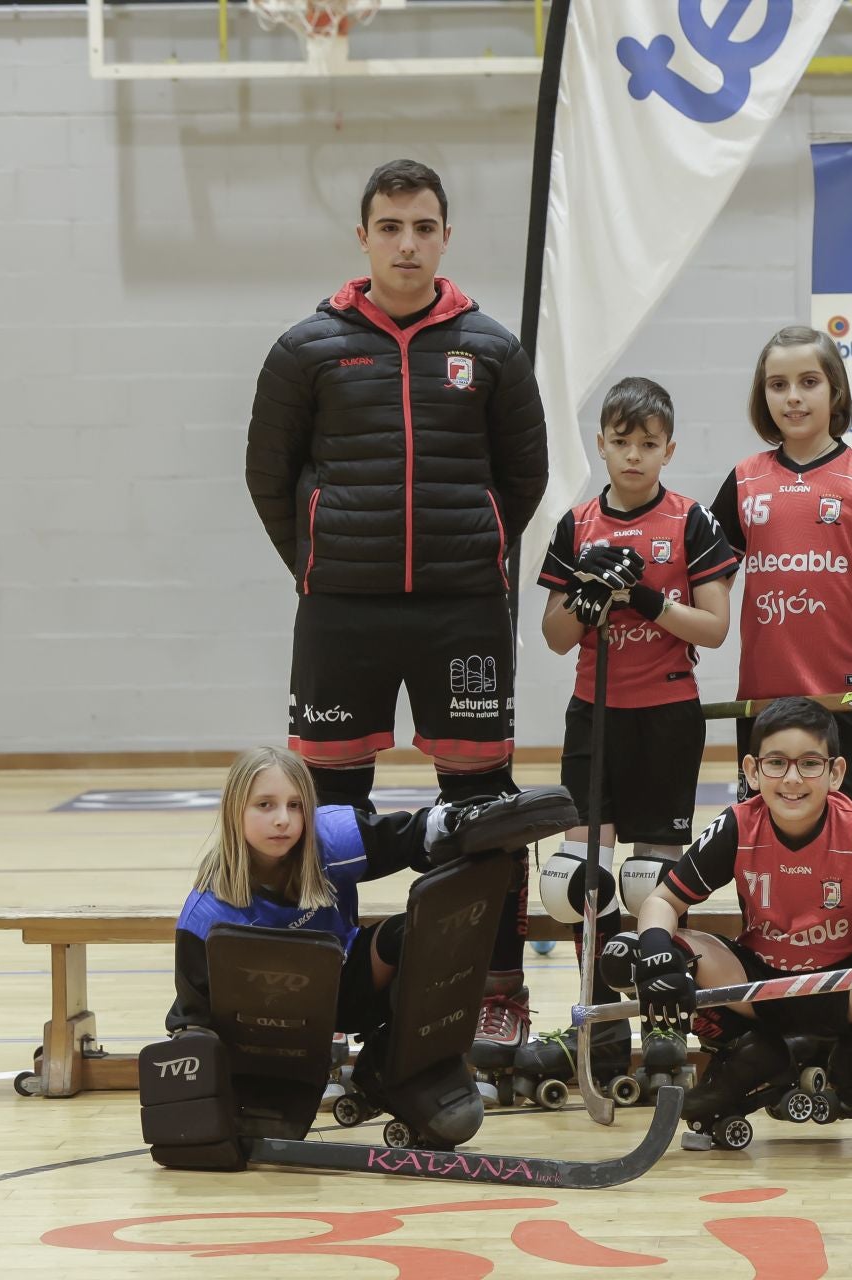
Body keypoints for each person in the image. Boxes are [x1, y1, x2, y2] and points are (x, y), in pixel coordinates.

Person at [242, 158, 550, 1064]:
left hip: (463, 612)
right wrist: (321, 557)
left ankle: (496, 992)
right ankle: (325, 988)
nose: (407, 243)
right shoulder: (309, 347)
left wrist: (476, 545)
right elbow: (269, 475)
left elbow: (522, 477)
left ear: (445, 236)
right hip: (343, 613)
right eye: (390, 227)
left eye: (423, 227)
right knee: (326, 810)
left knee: (484, 808)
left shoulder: (490, 348)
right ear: (364, 237)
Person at [161, 746, 574, 1152]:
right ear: (235, 811)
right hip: (278, 1025)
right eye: (264, 805)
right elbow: (192, 1018)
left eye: (296, 805)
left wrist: (465, 821)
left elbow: (417, 837)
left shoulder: (331, 838)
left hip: (347, 986)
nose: (283, 819)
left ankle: (394, 1065)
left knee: (417, 931)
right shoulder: (207, 912)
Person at [514, 376, 738, 1091]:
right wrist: (586, 599)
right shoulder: (577, 525)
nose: (634, 456)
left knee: (652, 881)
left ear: (669, 449)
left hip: (667, 719)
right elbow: (554, 637)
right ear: (602, 446)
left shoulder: (691, 521)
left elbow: (713, 626)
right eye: (621, 442)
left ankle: (664, 1028)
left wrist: (642, 596)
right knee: (582, 883)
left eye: (648, 444)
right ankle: (600, 1029)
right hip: (595, 715)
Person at [630, 698, 852, 1143]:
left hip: (849, 988)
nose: (793, 779)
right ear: (752, 770)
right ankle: (742, 1051)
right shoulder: (737, 825)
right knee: (629, 954)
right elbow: (661, 900)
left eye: (809, 764)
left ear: (836, 772)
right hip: (758, 989)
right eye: (776, 763)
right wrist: (654, 950)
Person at [709, 326, 852, 821]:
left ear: (835, 389)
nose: (792, 397)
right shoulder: (745, 479)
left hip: (851, 702)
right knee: (763, 852)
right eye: (777, 384)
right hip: (762, 705)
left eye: (808, 381)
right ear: (762, 393)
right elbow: (708, 589)